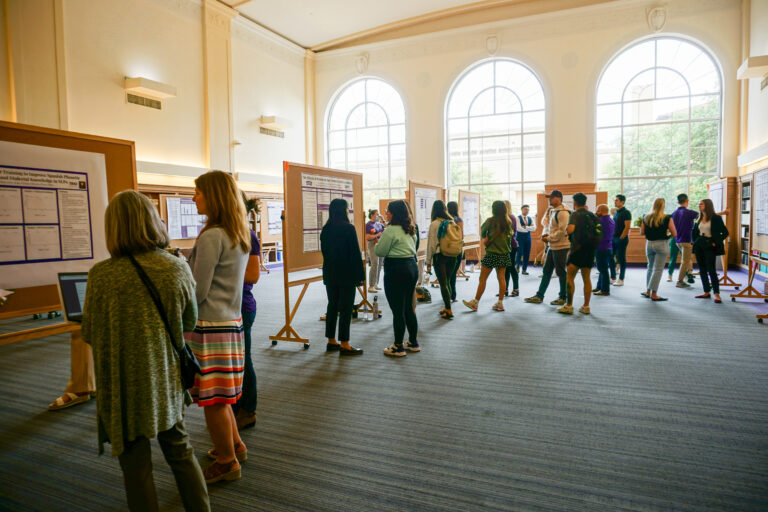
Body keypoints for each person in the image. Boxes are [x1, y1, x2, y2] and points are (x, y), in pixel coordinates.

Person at [82, 190, 210, 512]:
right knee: (181, 452)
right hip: (163, 379)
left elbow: (89, 332)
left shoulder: (100, 276)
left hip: (121, 385)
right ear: (154, 222)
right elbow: (189, 321)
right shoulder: (176, 269)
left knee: (136, 468)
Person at [188, 170, 250, 484]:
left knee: (212, 401)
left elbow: (197, 291)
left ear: (212, 195)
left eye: (197, 192)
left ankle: (226, 461)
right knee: (222, 397)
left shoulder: (212, 236)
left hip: (209, 326)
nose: (194, 197)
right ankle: (234, 445)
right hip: (230, 323)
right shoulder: (237, 232)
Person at [375, 200, 420, 357]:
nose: (386, 213)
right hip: (411, 267)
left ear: (393, 213)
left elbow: (380, 251)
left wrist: (376, 243)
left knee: (397, 310)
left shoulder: (390, 230)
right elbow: (414, 248)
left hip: (396, 269)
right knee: (408, 307)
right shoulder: (410, 228)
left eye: (387, 211)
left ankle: (398, 346)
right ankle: (413, 342)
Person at [321, 198, 365, 355]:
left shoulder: (326, 229)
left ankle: (331, 341)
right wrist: (360, 276)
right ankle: (345, 343)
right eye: (347, 209)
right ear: (343, 210)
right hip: (346, 274)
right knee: (346, 308)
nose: (348, 211)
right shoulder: (348, 228)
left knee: (332, 306)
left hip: (330, 273)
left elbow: (325, 252)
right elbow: (355, 254)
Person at [234, 192, 262, 431]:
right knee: (232, 361)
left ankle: (248, 409)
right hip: (224, 308)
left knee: (244, 359)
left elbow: (253, 275)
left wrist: (220, 274)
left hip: (242, 305)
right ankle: (232, 409)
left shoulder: (248, 235)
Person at [463, 200, 512, 312]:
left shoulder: (490, 221)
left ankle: (475, 302)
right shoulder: (508, 222)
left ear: (493, 209)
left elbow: (482, 232)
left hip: (491, 254)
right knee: (502, 278)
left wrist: (488, 237)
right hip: (504, 254)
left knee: (482, 279)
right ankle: (500, 303)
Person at [524, 190, 570, 305]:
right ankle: (539, 295)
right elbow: (555, 229)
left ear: (559, 198)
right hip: (553, 245)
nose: (549, 199)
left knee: (560, 272)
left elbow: (562, 231)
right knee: (547, 270)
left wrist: (549, 238)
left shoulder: (563, 212)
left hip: (561, 246)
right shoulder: (555, 211)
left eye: (552, 197)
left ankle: (563, 297)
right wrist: (548, 236)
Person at [640, 198, 677, 301]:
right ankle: (654, 294)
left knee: (650, 267)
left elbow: (642, 233)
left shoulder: (646, 217)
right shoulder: (667, 218)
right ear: (663, 206)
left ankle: (648, 291)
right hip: (662, 244)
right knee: (658, 269)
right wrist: (667, 236)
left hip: (649, 244)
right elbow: (674, 234)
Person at [693, 198, 729, 303]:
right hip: (699, 243)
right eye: (699, 204)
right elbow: (694, 231)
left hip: (710, 244)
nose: (699, 206)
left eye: (701, 204)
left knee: (711, 270)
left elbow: (725, 233)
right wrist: (694, 242)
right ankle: (706, 292)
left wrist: (715, 242)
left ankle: (717, 294)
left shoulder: (716, 218)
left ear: (707, 205)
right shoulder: (698, 217)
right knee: (702, 269)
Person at [426, 200, 457, 319]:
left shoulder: (434, 224)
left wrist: (428, 262)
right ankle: (447, 305)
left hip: (440, 256)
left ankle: (449, 309)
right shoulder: (451, 222)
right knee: (447, 281)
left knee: (443, 283)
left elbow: (431, 245)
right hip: (452, 255)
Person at [670, 193, 698, 288]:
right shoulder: (690, 212)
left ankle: (688, 275)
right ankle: (680, 281)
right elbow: (704, 215)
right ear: (687, 200)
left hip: (678, 240)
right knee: (685, 261)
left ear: (678, 202)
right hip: (686, 239)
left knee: (687, 259)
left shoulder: (674, 213)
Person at [594, 204, 615, 296]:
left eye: (597, 211)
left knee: (602, 269)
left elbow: (596, 234)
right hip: (609, 246)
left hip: (601, 247)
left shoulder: (600, 221)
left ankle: (605, 290)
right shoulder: (611, 220)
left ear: (601, 211)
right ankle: (599, 286)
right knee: (603, 268)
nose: (596, 213)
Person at [611, 194, 632, 286]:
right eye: (615, 200)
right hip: (614, 238)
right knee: (611, 258)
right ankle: (613, 277)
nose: (615, 202)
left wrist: (621, 238)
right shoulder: (616, 212)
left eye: (617, 200)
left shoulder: (626, 212)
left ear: (622, 202)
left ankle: (621, 279)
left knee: (621, 259)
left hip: (621, 239)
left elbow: (627, 227)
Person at [447, 201, 464, 303]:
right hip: (457, 248)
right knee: (453, 274)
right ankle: (453, 295)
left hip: (446, 248)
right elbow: (461, 235)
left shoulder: (445, 220)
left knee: (447, 274)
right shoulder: (458, 220)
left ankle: (446, 294)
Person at [502, 200, 520, 297]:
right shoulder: (503, 217)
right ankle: (505, 289)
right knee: (505, 269)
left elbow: (509, 232)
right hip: (504, 246)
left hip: (512, 246)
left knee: (511, 267)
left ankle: (516, 289)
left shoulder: (511, 217)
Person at [365, 209, 385, 293]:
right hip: (372, 244)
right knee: (374, 263)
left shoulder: (379, 224)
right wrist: (377, 235)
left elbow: (386, 227)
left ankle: (376, 283)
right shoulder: (368, 224)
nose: (378, 215)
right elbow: (367, 237)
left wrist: (382, 218)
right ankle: (371, 285)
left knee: (380, 264)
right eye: (377, 214)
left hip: (380, 244)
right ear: (372, 215)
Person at [515, 204, 536, 274]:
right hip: (519, 237)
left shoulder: (530, 218)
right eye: (525, 209)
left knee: (527, 253)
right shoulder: (517, 218)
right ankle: (517, 267)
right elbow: (519, 228)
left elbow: (534, 228)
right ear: (522, 210)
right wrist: (529, 228)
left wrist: (526, 227)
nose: (527, 211)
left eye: (528, 209)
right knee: (519, 252)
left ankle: (524, 269)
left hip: (528, 238)